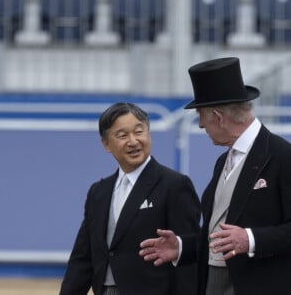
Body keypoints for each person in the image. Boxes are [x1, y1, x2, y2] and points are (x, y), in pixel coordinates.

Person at [139, 57, 291, 295]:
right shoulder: (223, 161)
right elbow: (216, 235)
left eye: (201, 115)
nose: (200, 125)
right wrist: (181, 247)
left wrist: (251, 239)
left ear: (219, 117)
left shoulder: (283, 156)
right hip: (212, 282)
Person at [59, 102, 201, 295]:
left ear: (149, 134)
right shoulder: (99, 192)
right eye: (122, 135)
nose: (133, 141)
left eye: (139, 132)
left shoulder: (174, 185)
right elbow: (83, 257)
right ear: (106, 144)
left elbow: (189, 256)